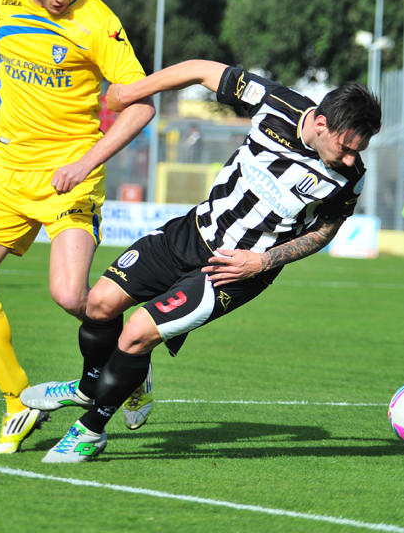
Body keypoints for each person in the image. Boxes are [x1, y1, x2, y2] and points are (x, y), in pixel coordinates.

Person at [21, 59, 383, 462]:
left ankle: (91, 429)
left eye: (358, 152)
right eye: (346, 148)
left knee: (136, 334)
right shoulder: (276, 104)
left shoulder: (350, 177)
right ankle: (96, 385)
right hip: (190, 232)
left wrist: (262, 263)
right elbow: (199, 70)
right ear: (320, 123)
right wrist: (131, 92)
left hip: (234, 271)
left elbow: (325, 231)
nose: (351, 160)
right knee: (99, 304)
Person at [0, 0, 156, 455]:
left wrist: (85, 162)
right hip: (6, 170)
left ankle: (132, 361)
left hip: (69, 173)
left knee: (68, 295)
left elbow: (142, 104)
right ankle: (19, 402)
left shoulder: (97, 21)